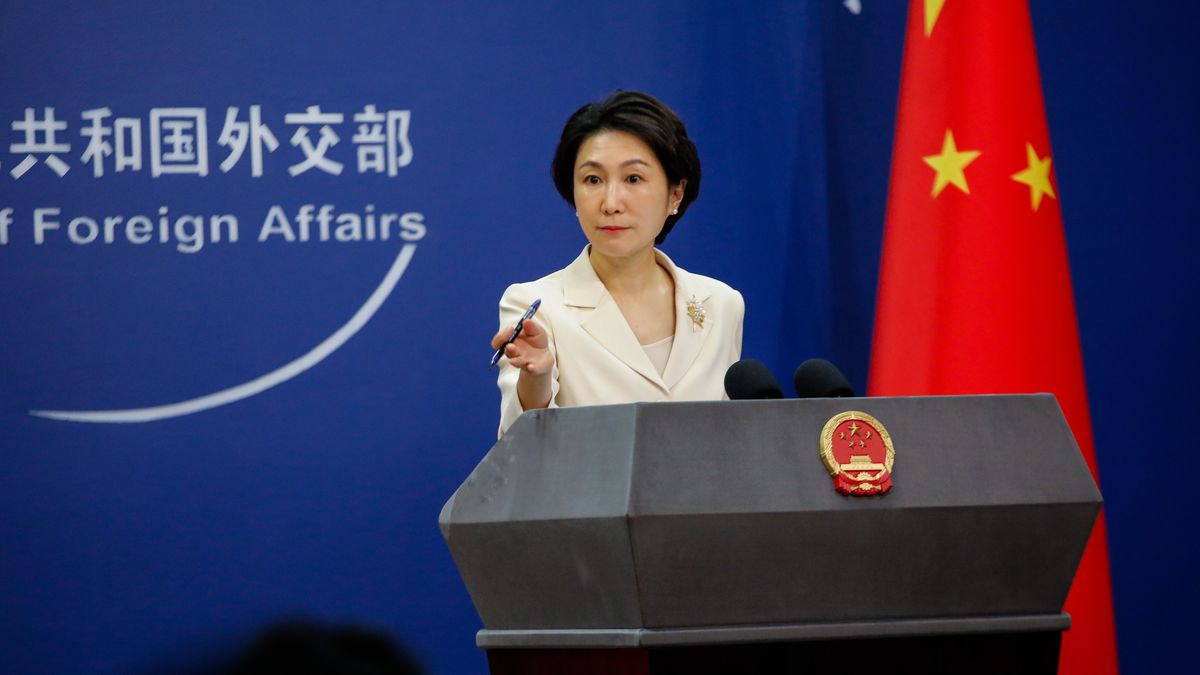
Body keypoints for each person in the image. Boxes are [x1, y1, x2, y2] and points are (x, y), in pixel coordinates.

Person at [491, 91, 744, 435]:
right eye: (593, 180)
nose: (611, 203)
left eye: (633, 179)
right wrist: (536, 380)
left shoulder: (722, 304)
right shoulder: (537, 306)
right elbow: (520, 446)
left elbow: (728, 440)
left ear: (675, 194)